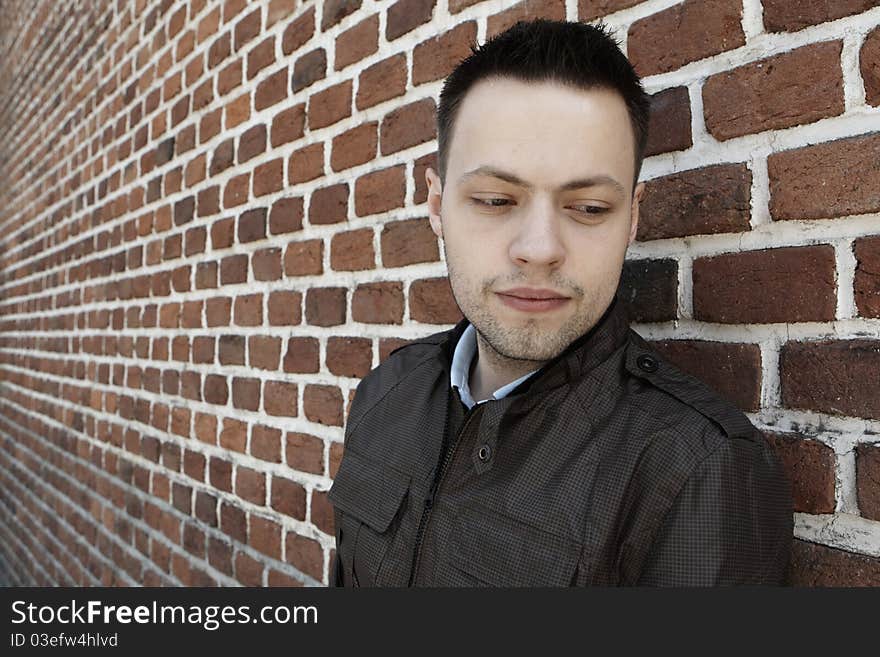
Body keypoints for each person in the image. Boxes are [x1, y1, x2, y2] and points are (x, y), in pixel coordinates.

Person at [327, 19, 793, 586]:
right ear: (436, 204)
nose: (540, 249)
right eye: (497, 199)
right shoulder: (385, 392)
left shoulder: (697, 470)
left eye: (590, 208)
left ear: (632, 219)